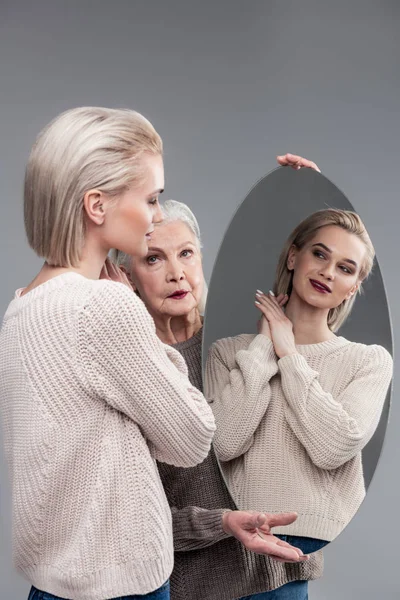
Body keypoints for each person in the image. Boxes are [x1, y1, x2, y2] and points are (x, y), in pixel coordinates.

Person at [0, 106, 218, 600]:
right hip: (122, 587)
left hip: (48, 584)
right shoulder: (105, 305)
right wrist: (138, 320)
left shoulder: (20, 309)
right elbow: (192, 438)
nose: (158, 214)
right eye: (151, 198)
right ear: (96, 206)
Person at [113, 188, 323, 600]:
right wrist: (221, 522)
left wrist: (310, 188)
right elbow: (133, 516)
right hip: (198, 586)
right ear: (127, 276)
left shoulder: (250, 336)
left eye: (186, 253)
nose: (177, 273)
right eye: (154, 258)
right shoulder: (130, 372)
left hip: (281, 574)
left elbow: (322, 270)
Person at [205, 208, 393, 597]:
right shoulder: (230, 352)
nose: (328, 272)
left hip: (303, 542)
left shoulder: (368, 360)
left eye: (345, 268)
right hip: (230, 541)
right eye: (320, 254)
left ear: (353, 287)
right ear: (294, 257)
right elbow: (223, 443)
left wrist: (289, 355)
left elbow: (335, 446)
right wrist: (263, 346)